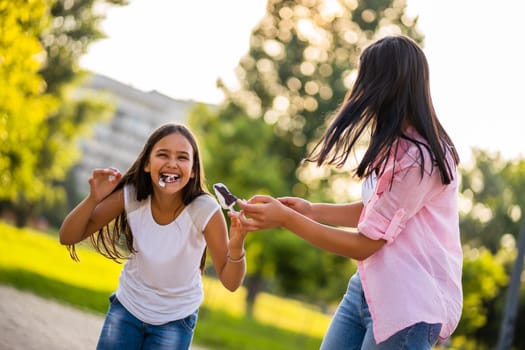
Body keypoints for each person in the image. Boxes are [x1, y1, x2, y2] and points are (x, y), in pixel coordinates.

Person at [238, 35, 462, 349]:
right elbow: (373, 212)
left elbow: (365, 244)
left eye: (367, 78)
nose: (360, 88)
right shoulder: (394, 145)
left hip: (407, 308)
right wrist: (310, 210)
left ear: (390, 83)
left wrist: (287, 220)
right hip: (367, 290)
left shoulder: (423, 159)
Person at [59, 122, 247, 350]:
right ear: (147, 164)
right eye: (163, 154)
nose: (172, 163)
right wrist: (93, 199)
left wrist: (236, 246)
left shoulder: (205, 210)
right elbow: (68, 236)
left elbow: (230, 282)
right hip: (127, 308)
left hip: (176, 319)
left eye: (182, 157)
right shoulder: (132, 195)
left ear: (194, 170)